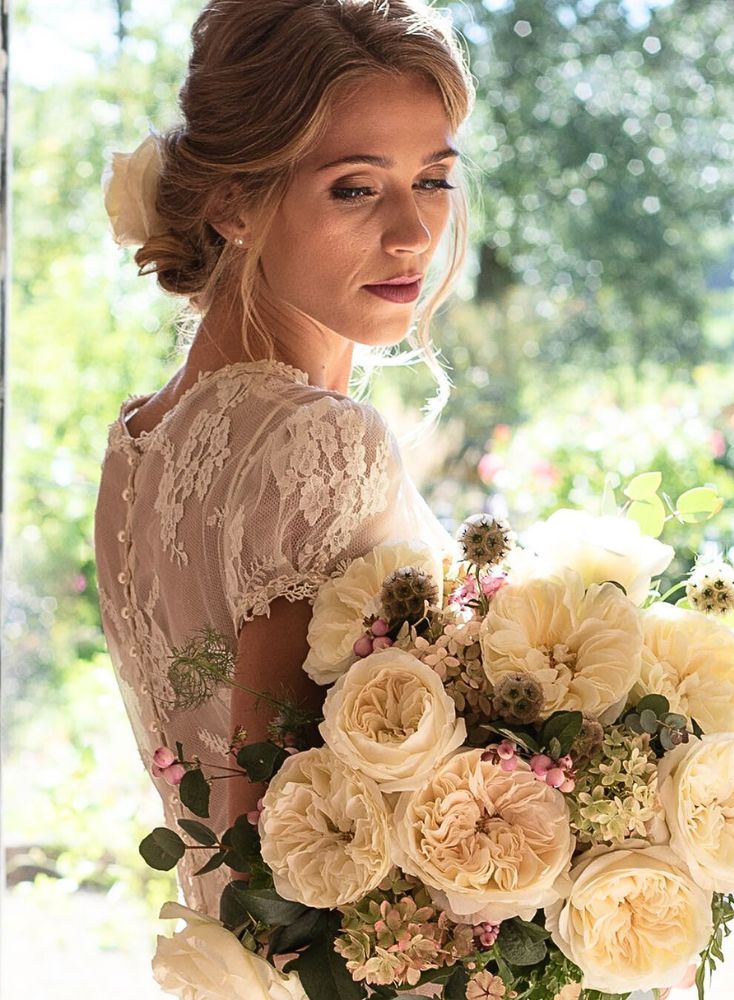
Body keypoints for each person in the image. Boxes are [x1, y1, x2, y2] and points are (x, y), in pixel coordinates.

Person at [94, 0, 474, 917]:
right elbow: (289, 863)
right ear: (233, 202)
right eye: (355, 187)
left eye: (432, 179)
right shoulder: (318, 443)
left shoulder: (139, 441)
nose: (413, 233)